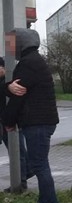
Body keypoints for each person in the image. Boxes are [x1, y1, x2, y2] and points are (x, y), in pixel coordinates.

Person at [2, 28, 60, 203]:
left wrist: (8, 122)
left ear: (21, 43)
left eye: (10, 43)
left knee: (39, 165)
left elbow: (18, 96)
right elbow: (15, 90)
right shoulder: (32, 61)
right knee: (39, 164)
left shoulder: (29, 63)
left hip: (37, 123)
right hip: (39, 122)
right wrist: (8, 87)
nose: (9, 48)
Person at [0, 56, 30, 193]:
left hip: (11, 121)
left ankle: (20, 182)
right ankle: (23, 175)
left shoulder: (10, 81)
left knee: (18, 151)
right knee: (16, 152)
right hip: (4, 122)